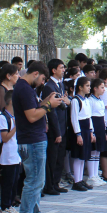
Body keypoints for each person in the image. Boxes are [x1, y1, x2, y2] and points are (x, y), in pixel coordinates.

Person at [11, 61, 62, 213]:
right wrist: (49, 105)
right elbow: (32, 116)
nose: (42, 83)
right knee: (34, 181)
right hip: (31, 140)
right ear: (35, 74)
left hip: (33, 139)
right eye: (42, 79)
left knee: (37, 180)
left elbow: (34, 108)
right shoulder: (24, 89)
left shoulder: (26, 88)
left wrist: (46, 101)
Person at [43, 60, 71, 194]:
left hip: (62, 125)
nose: (64, 70)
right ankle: (49, 185)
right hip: (55, 128)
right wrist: (57, 132)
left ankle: (56, 182)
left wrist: (67, 102)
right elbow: (51, 111)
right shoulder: (49, 87)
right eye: (61, 68)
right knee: (52, 158)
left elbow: (64, 103)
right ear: (53, 70)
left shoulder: (60, 84)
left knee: (60, 157)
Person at [0, 89, 20, 213]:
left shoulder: (14, 117)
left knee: (14, 182)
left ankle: (10, 205)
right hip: (7, 156)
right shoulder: (2, 117)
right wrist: (16, 127)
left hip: (16, 155)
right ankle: (4, 208)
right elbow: (4, 138)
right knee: (7, 183)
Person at [69, 77, 95, 190]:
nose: (89, 88)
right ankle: (76, 181)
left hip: (86, 129)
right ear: (80, 87)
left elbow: (89, 117)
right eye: (87, 86)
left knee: (83, 156)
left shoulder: (86, 100)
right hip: (80, 130)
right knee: (78, 156)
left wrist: (91, 131)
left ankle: (80, 180)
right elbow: (74, 118)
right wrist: (78, 134)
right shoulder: (76, 101)